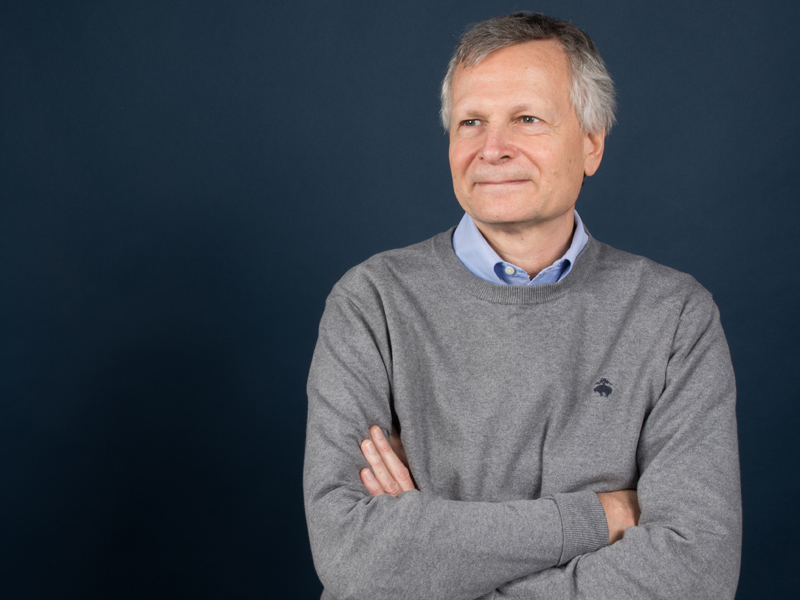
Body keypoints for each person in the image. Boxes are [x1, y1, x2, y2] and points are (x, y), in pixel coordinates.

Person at [303, 12, 741, 600]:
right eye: (471, 122)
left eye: (527, 119)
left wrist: (427, 556)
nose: (492, 149)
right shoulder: (371, 303)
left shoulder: (674, 316)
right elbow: (352, 554)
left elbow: (697, 571)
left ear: (591, 143)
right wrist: (601, 515)